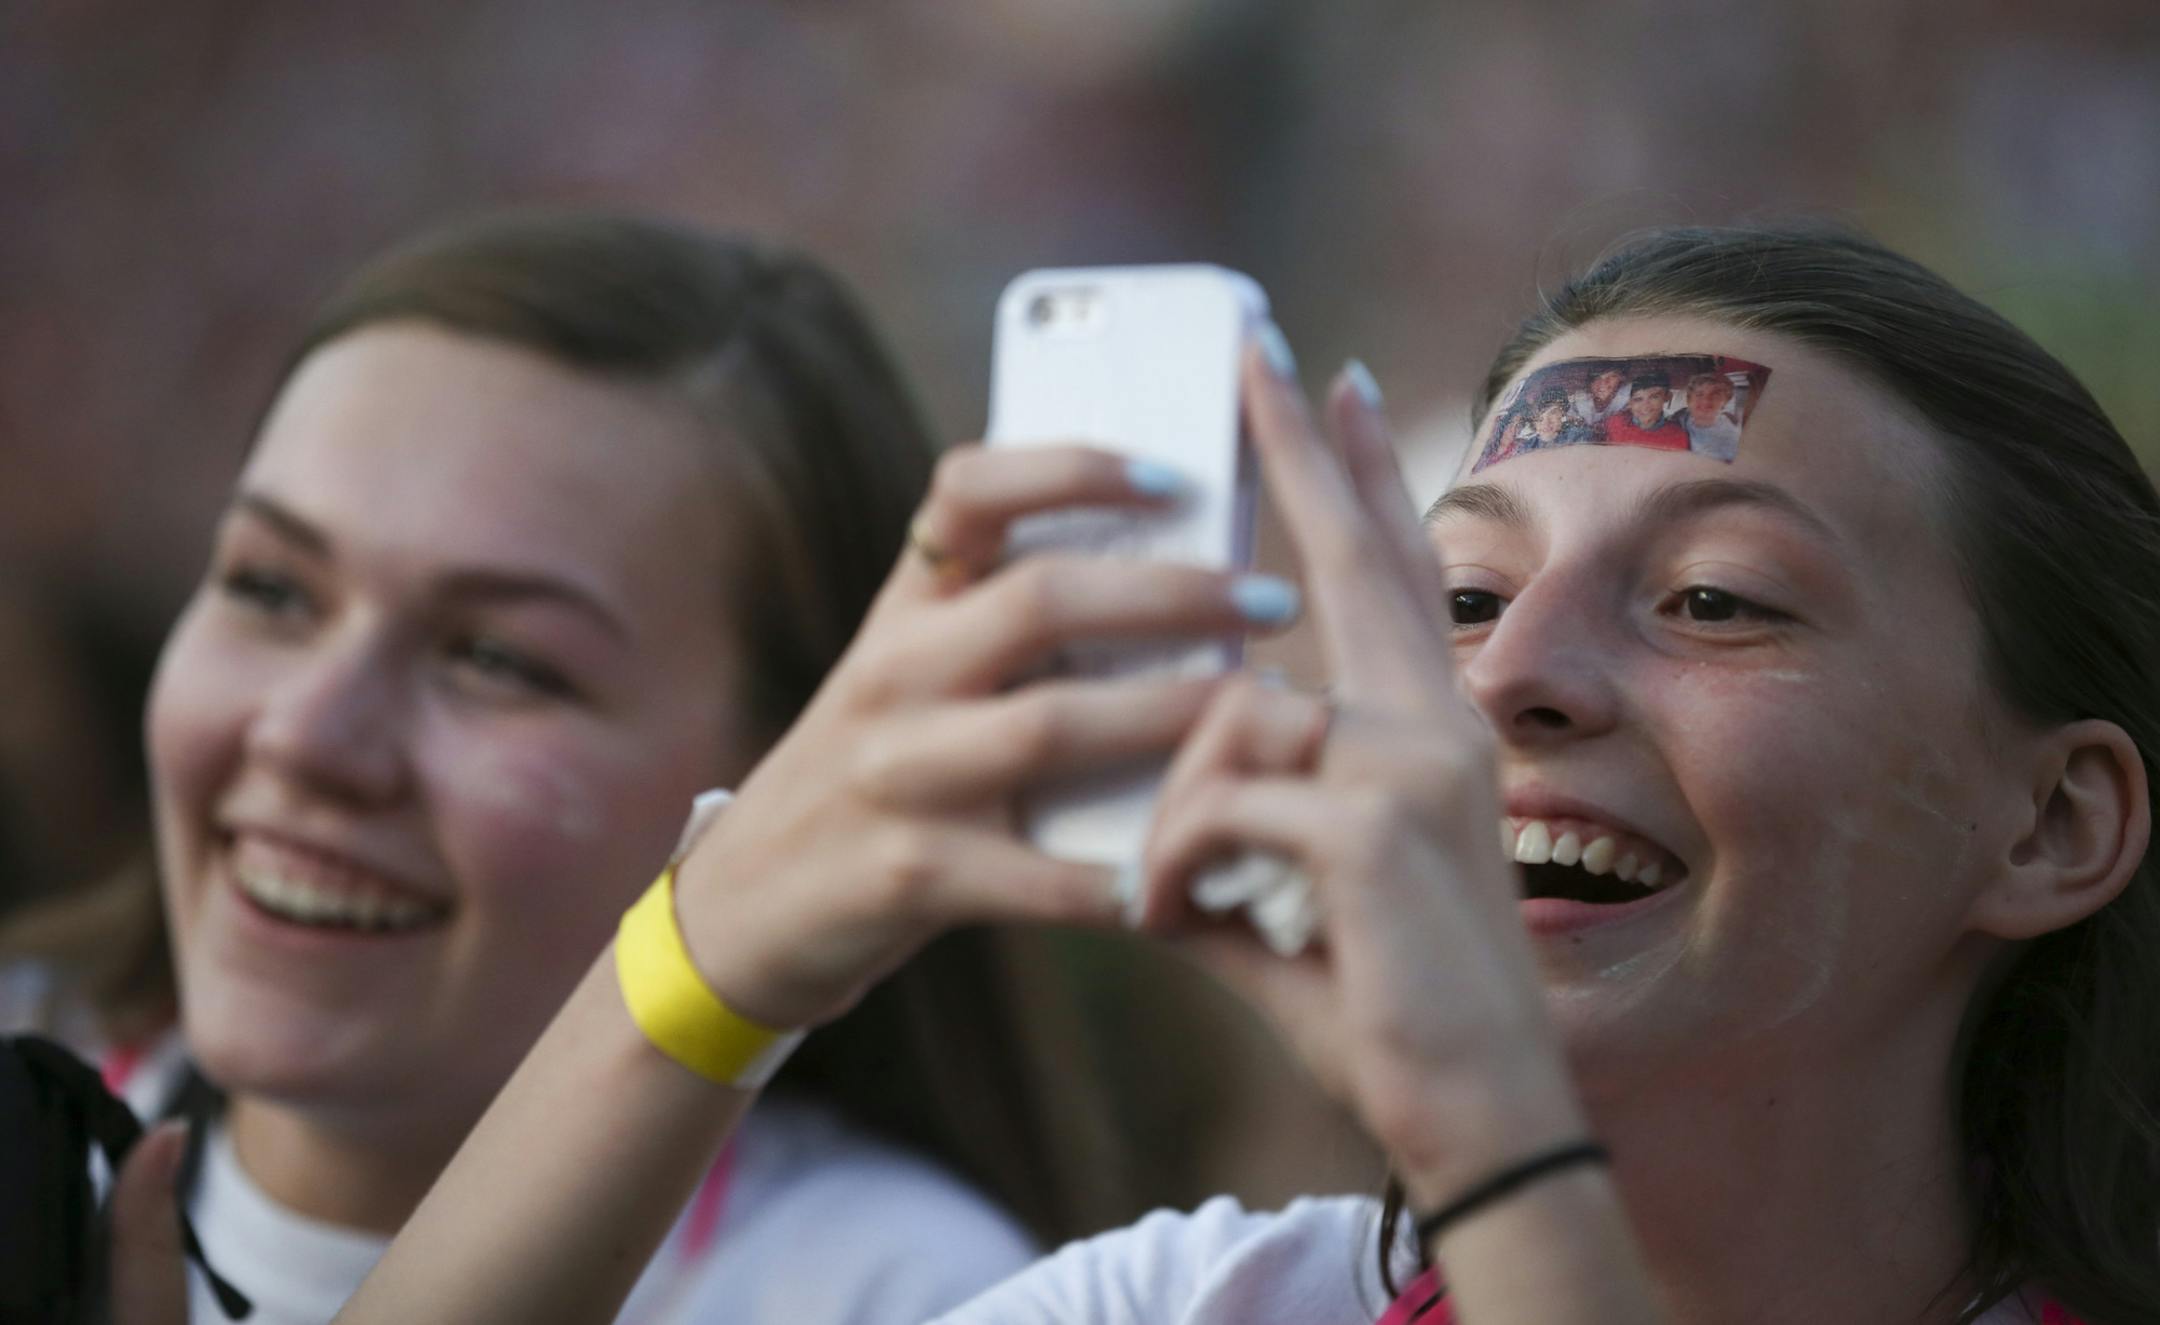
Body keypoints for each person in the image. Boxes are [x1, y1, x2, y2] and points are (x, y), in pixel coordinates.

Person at [319, 223, 2159, 1325]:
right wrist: (717, 956)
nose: (1513, 677)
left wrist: (1493, 1137)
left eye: (1712, 597)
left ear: (2058, 821)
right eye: (1457, 592)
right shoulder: (1197, 1303)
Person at [26, 213, 1087, 1323]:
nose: (306, 735)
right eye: (272, 588)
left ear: (794, 778)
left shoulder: (897, 1293)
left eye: (497, 658)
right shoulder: (30, 1083)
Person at [1597, 368, 1689, 448]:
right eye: (1638, 399)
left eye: (1654, 397)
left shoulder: (1677, 436)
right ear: (1630, 402)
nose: (1645, 406)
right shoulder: (1614, 424)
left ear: (1667, 397)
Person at [1676, 370, 1742, 460]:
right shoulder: (1681, 417)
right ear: (1689, 400)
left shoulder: (1732, 438)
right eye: (1699, 394)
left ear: (1725, 402)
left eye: (1715, 395)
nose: (1706, 401)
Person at [1565, 366, 1629, 430]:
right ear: (1590, 383)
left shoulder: (1627, 400)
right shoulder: (1579, 401)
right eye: (1598, 378)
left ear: (1621, 379)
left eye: (1612, 376)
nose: (1603, 383)